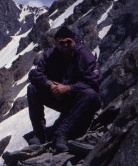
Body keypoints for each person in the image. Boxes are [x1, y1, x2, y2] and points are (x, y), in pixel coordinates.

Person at [25, 25, 101, 153]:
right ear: (56, 43)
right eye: (61, 42)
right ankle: (39, 134)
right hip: (61, 99)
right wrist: (50, 84)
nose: (65, 45)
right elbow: (34, 74)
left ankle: (61, 134)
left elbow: (94, 81)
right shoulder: (50, 55)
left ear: (74, 41)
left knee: (91, 94)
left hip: (81, 102)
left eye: (68, 42)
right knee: (32, 89)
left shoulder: (84, 56)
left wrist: (69, 88)